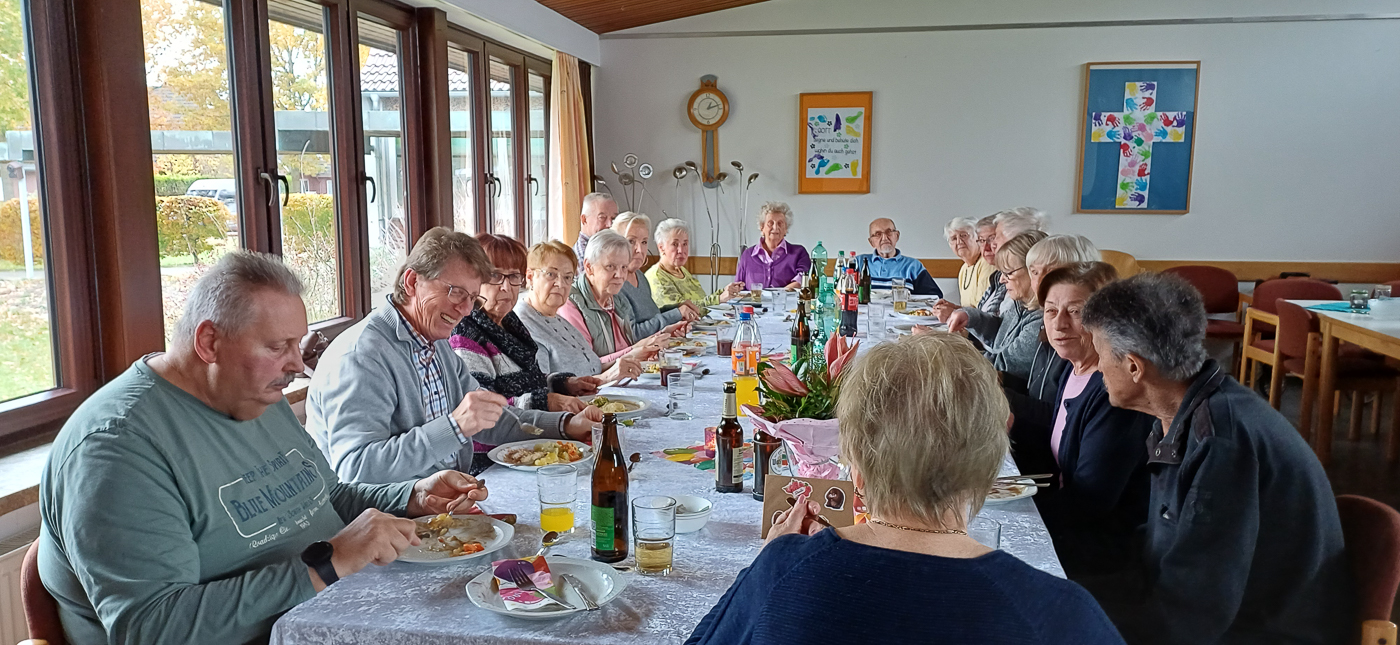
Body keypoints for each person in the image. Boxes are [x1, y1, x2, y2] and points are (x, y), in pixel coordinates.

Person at [38, 251, 491, 644]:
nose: (296, 364)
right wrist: (327, 564)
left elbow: (326, 497)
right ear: (209, 342)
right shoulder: (115, 449)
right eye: (278, 347)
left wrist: (411, 496)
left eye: (297, 344)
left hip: (325, 616)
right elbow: (154, 628)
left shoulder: (251, 391)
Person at [685, 333, 1125, 645]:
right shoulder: (1061, 611)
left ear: (852, 466)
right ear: (990, 468)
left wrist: (765, 563)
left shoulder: (786, 570)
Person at [1080, 273, 1354, 644]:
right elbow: (1160, 552)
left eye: (1099, 354)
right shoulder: (1181, 414)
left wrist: (1068, 614)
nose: (1096, 367)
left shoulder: (1221, 440)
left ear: (1134, 366)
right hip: (1214, 616)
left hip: (1260, 633)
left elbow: (1193, 613)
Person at [307, 228, 600, 484]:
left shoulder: (435, 341)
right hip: (389, 523)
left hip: (447, 500)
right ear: (411, 282)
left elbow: (492, 419)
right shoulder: (362, 355)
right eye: (456, 292)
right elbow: (355, 468)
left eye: (473, 298)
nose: (465, 309)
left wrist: (564, 425)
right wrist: (455, 427)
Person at [1013, 263, 1152, 578]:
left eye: (1075, 312)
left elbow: (1090, 503)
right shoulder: (1073, 367)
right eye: (1050, 311)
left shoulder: (1112, 390)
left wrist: (1015, 518)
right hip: (1072, 521)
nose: (1059, 324)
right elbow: (1062, 445)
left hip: (1102, 552)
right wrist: (1013, 424)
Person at [449, 233, 603, 473]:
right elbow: (486, 414)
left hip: (532, 444)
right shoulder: (465, 334)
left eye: (513, 277)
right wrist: (547, 401)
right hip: (493, 462)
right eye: (495, 276)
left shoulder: (510, 323)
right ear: (473, 279)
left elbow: (527, 383)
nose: (506, 287)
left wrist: (562, 384)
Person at [514, 241, 644, 382]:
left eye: (567, 277)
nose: (560, 284)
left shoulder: (559, 320)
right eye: (551, 274)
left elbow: (592, 368)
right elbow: (541, 389)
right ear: (530, 277)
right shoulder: (522, 325)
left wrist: (626, 361)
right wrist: (605, 378)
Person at [1006, 234, 1104, 412]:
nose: (1042, 280)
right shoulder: (1048, 318)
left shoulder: (1081, 333)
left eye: (1052, 272)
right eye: (1035, 272)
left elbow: (1060, 418)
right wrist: (997, 379)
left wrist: (1001, 397)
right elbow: (1037, 388)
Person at [561, 229, 682, 364]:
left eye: (624, 267)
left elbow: (629, 345)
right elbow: (586, 365)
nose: (619, 275)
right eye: (610, 266)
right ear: (589, 267)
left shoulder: (617, 299)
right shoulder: (570, 305)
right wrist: (635, 351)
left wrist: (662, 335)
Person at [945, 230, 1049, 382]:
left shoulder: (1041, 320)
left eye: (1008, 272)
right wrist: (970, 317)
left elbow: (1001, 365)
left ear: (1033, 272)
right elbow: (1000, 336)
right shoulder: (1021, 304)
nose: (1001, 280)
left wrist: (944, 350)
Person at [612, 211, 700, 337]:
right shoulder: (615, 284)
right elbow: (633, 334)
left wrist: (677, 308)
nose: (640, 250)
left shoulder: (640, 276)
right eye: (631, 241)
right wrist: (676, 314)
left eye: (644, 242)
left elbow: (652, 315)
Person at [647, 217, 744, 308]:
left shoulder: (681, 271)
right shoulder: (657, 277)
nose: (681, 250)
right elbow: (681, 311)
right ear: (661, 247)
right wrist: (718, 299)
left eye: (685, 243)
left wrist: (725, 292)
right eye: (675, 244)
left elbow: (701, 301)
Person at [733, 201, 811, 290]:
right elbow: (738, 287)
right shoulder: (747, 255)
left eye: (780, 223)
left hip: (786, 303)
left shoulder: (799, 253)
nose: (775, 227)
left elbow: (802, 280)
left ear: (786, 229)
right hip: (752, 304)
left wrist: (777, 297)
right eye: (770, 223)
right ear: (762, 228)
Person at [855, 217, 942, 296]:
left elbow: (934, 296)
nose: (884, 238)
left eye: (889, 232)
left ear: (896, 236)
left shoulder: (913, 266)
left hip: (903, 311)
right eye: (878, 234)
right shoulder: (858, 262)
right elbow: (844, 292)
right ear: (871, 242)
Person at [946, 216, 992, 306]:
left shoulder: (987, 263)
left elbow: (983, 311)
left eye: (964, 235)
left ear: (978, 238)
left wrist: (954, 310)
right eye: (954, 238)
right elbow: (968, 309)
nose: (959, 241)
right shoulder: (964, 268)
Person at [573, 192, 618, 271]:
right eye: (602, 217)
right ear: (584, 219)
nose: (609, 224)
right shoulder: (581, 257)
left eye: (613, 218)